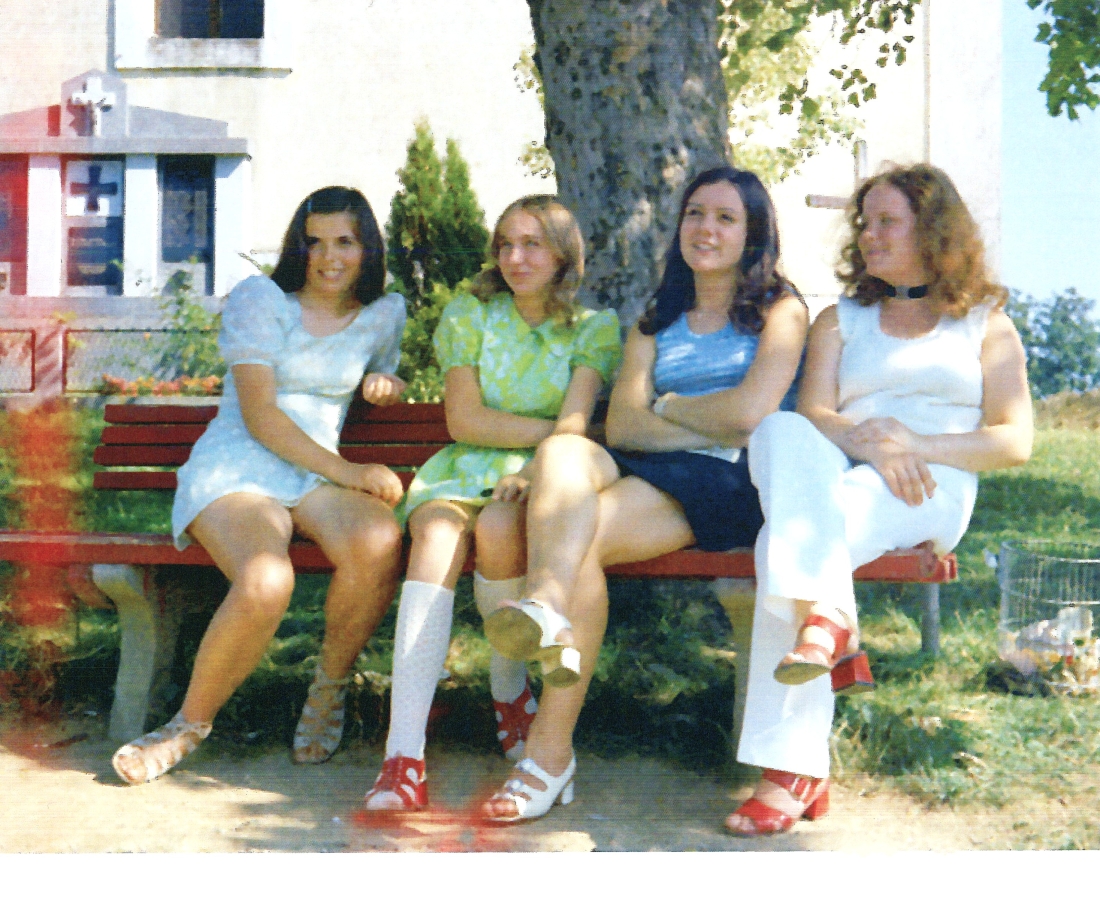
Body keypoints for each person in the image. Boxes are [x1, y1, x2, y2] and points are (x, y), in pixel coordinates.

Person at [479, 166, 809, 822]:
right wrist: (679, 418)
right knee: (562, 451)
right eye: (694, 214)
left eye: (724, 217)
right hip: (650, 464)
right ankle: (546, 606)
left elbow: (749, 415)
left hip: (726, 479)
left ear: (753, 234)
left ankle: (546, 754)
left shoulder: (781, 310)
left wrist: (672, 402)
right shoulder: (658, 317)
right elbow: (624, 423)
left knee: (577, 541)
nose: (705, 228)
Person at [727, 163, 1033, 835]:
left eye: (887, 221)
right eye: (865, 223)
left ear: (932, 230)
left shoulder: (985, 323)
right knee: (779, 431)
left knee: (785, 540)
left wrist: (915, 445)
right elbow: (814, 413)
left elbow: (1015, 441)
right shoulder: (842, 319)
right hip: (842, 472)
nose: (870, 235)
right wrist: (874, 444)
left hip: (933, 485)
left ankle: (790, 768)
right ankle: (830, 621)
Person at [111, 186, 408, 784]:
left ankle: (328, 687)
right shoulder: (260, 300)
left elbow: (384, 364)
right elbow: (261, 417)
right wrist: (350, 472)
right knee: (267, 579)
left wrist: (386, 383)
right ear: (298, 246)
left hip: (312, 476)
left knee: (378, 539)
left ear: (367, 248)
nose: (329, 257)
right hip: (239, 466)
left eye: (345, 242)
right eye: (314, 241)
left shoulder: (385, 312)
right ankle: (188, 724)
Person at [361, 195, 622, 811]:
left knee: (504, 527)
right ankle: (403, 758)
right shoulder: (471, 312)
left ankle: (508, 692)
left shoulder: (594, 328)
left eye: (532, 244)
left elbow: (578, 419)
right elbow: (465, 418)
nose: (515, 257)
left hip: (544, 477)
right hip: (465, 467)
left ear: (563, 252)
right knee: (437, 538)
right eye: (505, 243)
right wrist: (553, 434)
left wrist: (548, 455)